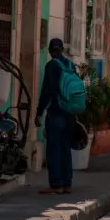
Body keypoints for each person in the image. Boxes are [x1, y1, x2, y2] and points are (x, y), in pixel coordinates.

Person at [35, 38, 75, 194]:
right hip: (69, 113)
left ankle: (56, 184)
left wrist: (39, 113)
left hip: (56, 112)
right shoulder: (70, 65)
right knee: (66, 148)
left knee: (54, 149)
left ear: (50, 51)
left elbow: (46, 91)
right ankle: (67, 183)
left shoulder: (51, 66)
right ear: (62, 50)